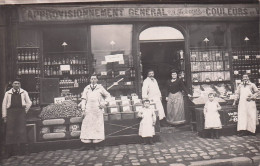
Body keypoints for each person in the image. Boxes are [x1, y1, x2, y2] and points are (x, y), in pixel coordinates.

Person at [2, 80, 32, 157]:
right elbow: (4, 104)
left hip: (21, 113)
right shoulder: (7, 93)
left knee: (22, 131)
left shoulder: (24, 92)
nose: (17, 85)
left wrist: (24, 111)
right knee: (10, 132)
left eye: (18, 83)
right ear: (12, 84)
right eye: (15, 83)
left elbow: (29, 102)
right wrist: (4, 116)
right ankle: (9, 152)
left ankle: (23, 151)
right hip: (11, 113)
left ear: (20, 84)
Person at [80, 74, 111, 150]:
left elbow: (108, 96)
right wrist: (83, 109)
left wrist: (104, 103)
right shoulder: (86, 88)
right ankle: (86, 144)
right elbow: (83, 99)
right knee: (87, 126)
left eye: (94, 79)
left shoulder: (100, 88)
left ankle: (96, 144)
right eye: (91, 79)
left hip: (97, 110)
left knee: (97, 126)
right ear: (90, 80)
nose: (93, 80)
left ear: (97, 80)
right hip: (88, 110)